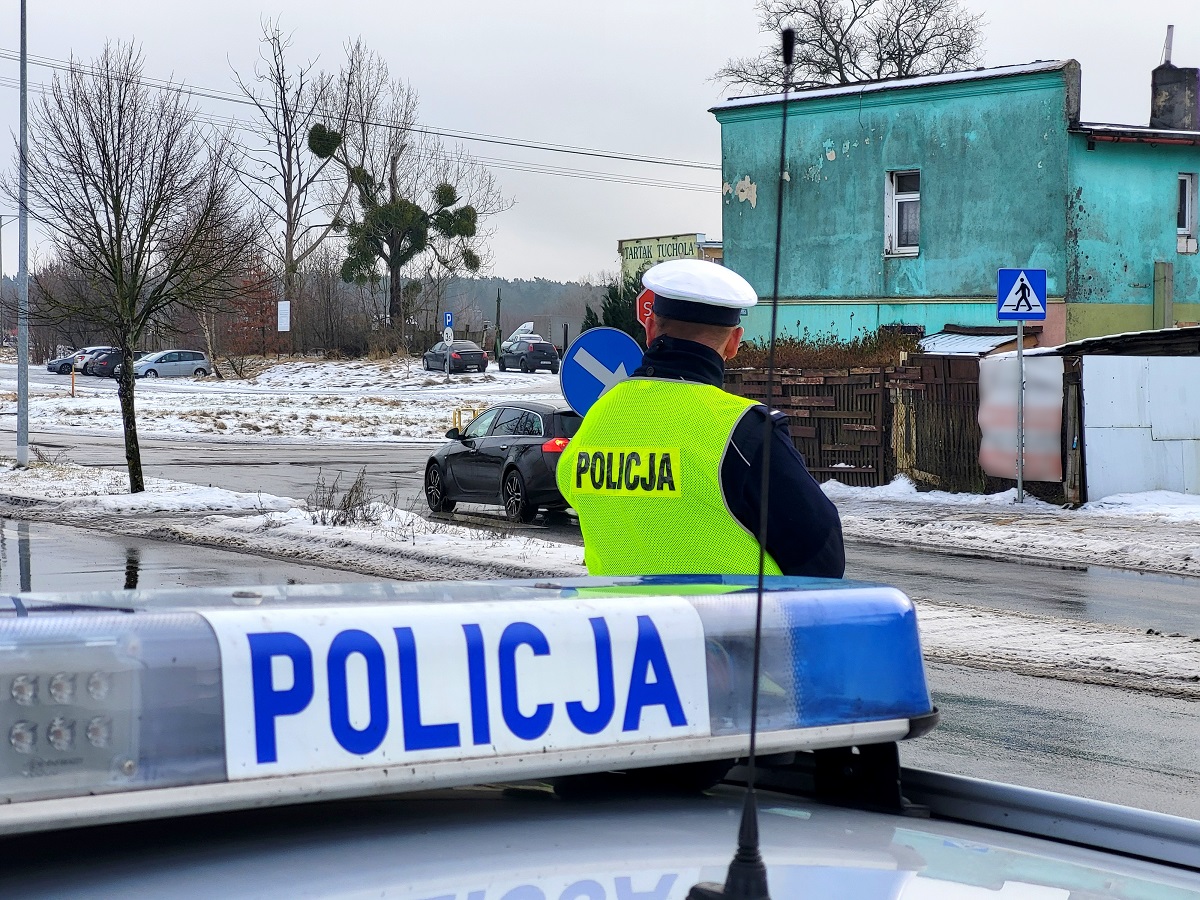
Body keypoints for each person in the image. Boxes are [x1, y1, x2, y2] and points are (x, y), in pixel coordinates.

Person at [558, 259, 844, 578]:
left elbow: (568, 483)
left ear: (651, 328)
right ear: (734, 342)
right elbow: (823, 555)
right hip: (728, 627)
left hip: (626, 625)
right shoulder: (744, 431)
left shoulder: (602, 414)